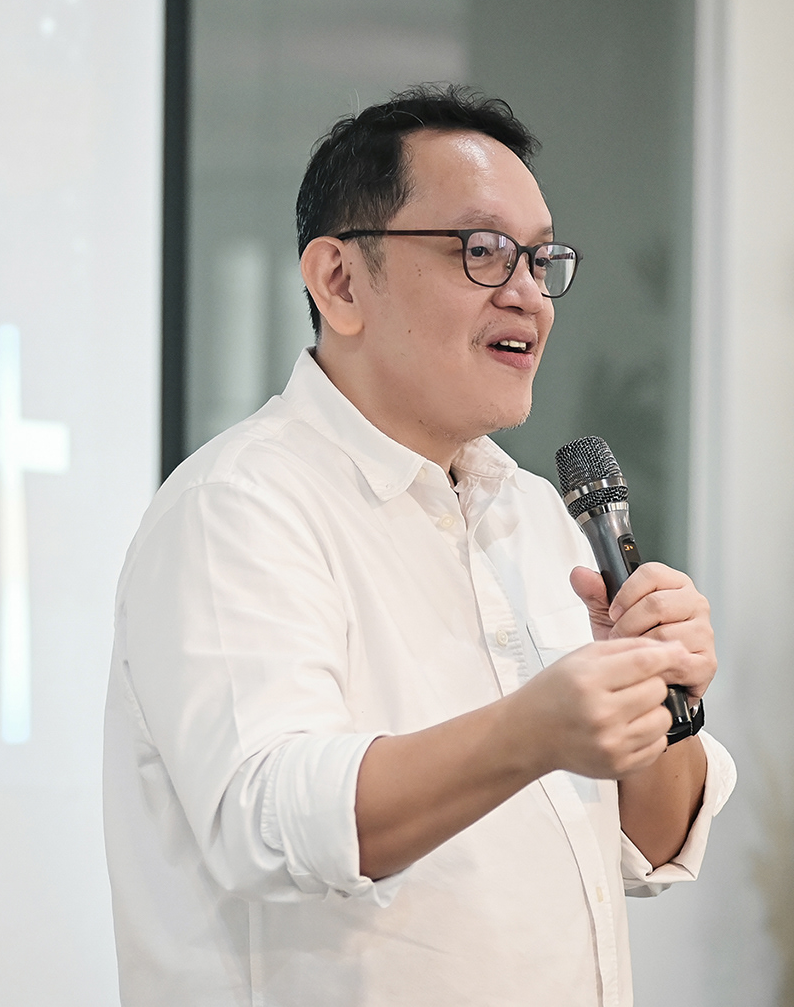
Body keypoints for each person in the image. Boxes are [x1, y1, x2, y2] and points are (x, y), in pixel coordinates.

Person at [102, 85, 734, 1007]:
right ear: (339, 282)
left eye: (540, 258)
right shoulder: (237, 505)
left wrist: (660, 697)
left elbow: (651, 844)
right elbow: (265, 818)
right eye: (482, 250)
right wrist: (532, 731)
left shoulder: (536, 513)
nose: (528, 294)